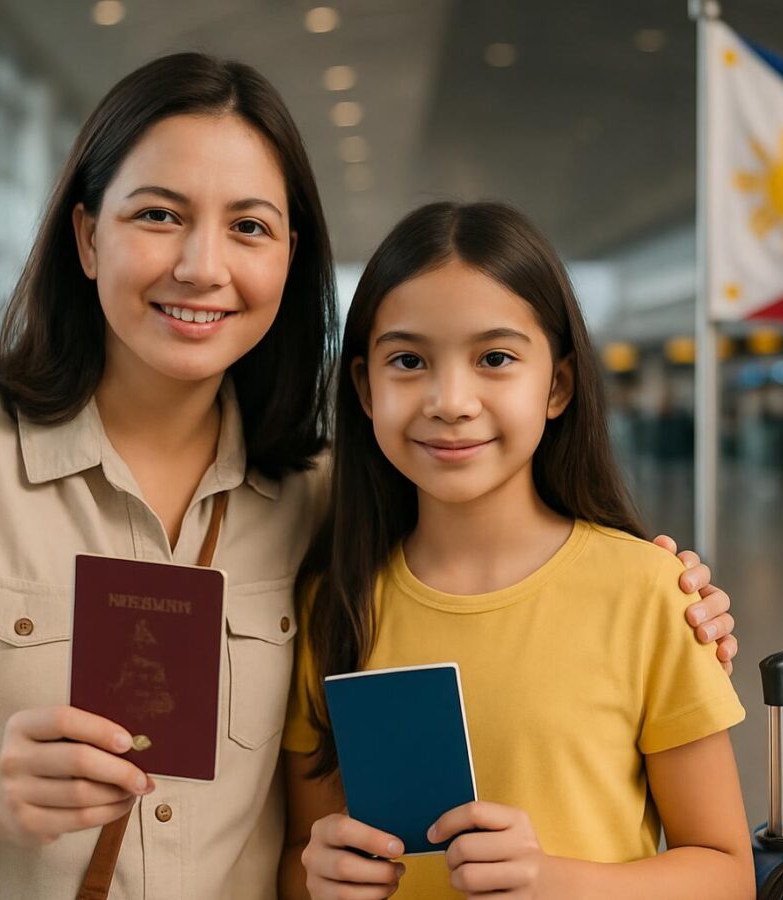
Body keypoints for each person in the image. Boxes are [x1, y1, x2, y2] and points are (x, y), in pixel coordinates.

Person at [0, 56, 734, 900]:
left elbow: (496, 549)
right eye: (158, 214)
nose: (202, 267)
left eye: (248, 227)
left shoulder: (320, 499)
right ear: (88, 237)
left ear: (289, 258)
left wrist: (668, 591)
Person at [279, 202, 754, 900]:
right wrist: (314, 877)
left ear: (557, 384)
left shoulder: (650, 593)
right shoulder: (333, 606)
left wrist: (556, 882)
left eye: (495, 359)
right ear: (364, 388)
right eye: (408, 361)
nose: (451, 400)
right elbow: (300, 852)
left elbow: (726, 872)